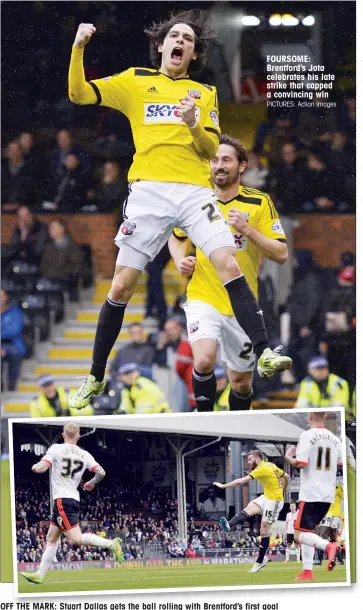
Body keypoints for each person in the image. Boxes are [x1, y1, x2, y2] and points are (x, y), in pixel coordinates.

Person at [68, 11, 292, 408]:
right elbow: (79, 94)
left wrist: (192, 123)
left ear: (193, 52)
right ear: (161, 45)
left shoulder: (203, 93)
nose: (180, 42)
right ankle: (96, 375)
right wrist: (79, 48)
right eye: (174, 36)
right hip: (149, 192)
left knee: (229, 264)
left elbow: (209, 150)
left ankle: (265, 351)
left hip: (193, 191)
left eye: (188, 39)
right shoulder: (136, 80)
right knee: (121, 286)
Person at [169, 135, 290, 412]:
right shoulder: (197, 201)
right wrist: (179, 260)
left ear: (242, 166)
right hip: (203, 296)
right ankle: (205, 425)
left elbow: (280, 254)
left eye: (226, 160)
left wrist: (248, 230)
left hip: (242, 305)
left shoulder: (259, 202)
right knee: (203, 361)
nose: (219, 166)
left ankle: (235, 437)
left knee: (241, 383)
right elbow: (174, 237)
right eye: (214, 160)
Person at [21, 422, 124, 584]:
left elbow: (41, 468)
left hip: (62, 500)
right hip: (71, 499)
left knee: (75, 540)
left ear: (63, 434)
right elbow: (101, 472)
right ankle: (40, 575)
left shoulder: (55, 448)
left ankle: (112, 544)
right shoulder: (84, 454)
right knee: (51, 537)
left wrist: (34, 466)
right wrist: (91, 483)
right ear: (78, 435)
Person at [284, 411, 342, 581]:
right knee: (308, 531)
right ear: (324, 417)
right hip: (328, 494)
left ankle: (328, 547)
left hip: (311, 492)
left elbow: (300, 464)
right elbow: (339, 464)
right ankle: (307, 572)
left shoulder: (307, 435)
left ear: (310, 416)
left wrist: (288, 457)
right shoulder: (335, 439)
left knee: (297, 535)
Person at [214, 449, 289, 573]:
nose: (248, 462)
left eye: (250, 459)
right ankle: (228, 524)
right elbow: (286, 476)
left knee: (263, 529)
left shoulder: (262, 468)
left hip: (274, 501)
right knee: (249, 508)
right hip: (266, 497)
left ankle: (260, 560)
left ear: (258, 458)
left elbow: (241, 481)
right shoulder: (270, 465)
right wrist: (284, 488)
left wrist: (223, 486)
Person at [40, 219, 84, 300]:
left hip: (65, 282)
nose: (50, 230)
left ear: (62, 229)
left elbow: (76, 266)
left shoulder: (72, 246)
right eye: (50, 228)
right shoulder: (48, 246)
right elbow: (44, 266)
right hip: (49, 280)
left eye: (53, 228)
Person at [1, 287, 26, 390]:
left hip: (11, 344)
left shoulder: (15, 312)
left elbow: (14, 330)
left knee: (13, 352)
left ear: (6, 297)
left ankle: (11, 385)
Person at [315, 483, 344, 566]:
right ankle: (340, 560)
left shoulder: (337, 486)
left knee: (322, 535)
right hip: (328, 515)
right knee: (333, 539)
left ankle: (319, 559)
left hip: (333, 515)